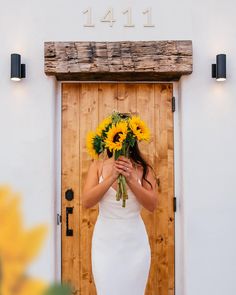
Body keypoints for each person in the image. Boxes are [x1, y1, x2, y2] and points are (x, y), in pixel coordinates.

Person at [81, 128, 158, 295]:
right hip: (105, 242)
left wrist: (130, 179)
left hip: (134, 242)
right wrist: (112, 177)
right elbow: (87, 201)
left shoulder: (143, 168)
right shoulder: (98, 165)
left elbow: (152, 205)